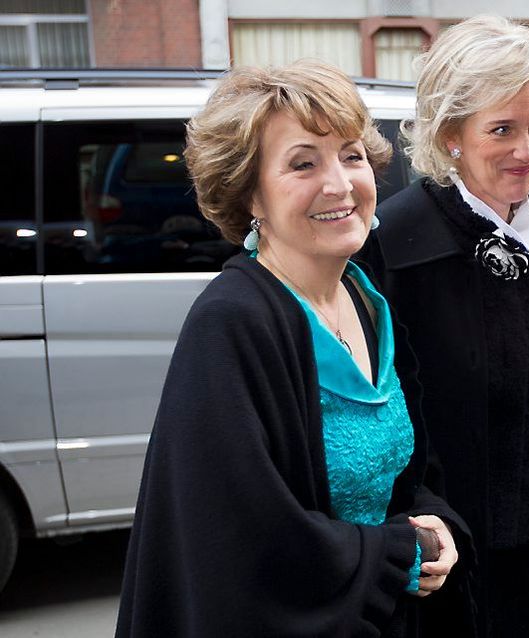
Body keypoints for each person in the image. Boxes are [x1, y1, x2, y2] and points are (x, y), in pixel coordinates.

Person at [116, 61, 466, 637]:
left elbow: (404, 473)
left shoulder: (363, 294)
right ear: (249, 193)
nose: (340, 183)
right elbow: (247, 545)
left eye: (351, 155)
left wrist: (437, 524)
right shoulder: (233, 322)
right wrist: (398, 552)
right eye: (303, 163)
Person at [360, 15, 529, 638]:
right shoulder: (395, 247)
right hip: (448, 564)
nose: (527, 150)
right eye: (502, 129)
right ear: (451, 135)